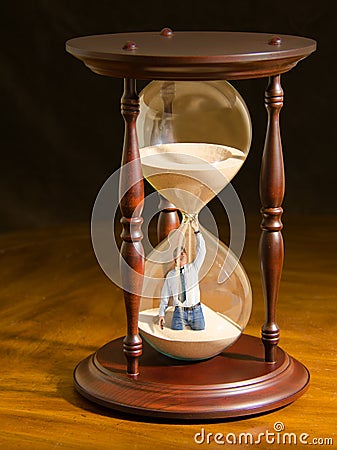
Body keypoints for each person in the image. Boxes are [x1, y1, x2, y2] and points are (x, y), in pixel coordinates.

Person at [158, 219, 206, 330]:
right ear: (175, 258)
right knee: (175, 331)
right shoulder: (171, 275)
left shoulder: (193, 268)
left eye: (184, 252)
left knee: (200, 331)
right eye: (180, 253)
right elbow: (165, 296)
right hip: (179, 312)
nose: (183, 254)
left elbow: (202, 251)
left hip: (196, 311)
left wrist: (197, 231)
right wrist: (161, 314)